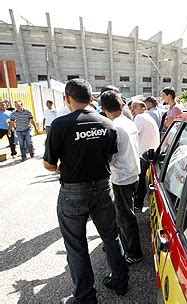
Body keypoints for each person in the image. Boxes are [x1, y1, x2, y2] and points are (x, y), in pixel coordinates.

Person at [43, 79, 129, 303]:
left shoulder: (60, 126)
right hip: (103, 187)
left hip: (73, 192)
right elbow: (109, 157)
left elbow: (49, 164)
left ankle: (85, 296)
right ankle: (121, 282)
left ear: (67, 99)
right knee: (111, 237)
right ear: (91, 99)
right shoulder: (108, 124)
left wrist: (63, 167)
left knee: (76, 245)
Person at [99, 90, 143, 266]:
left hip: (122, 177)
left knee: (125, 217)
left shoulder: (113, 127)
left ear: (103, 109)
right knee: (125, 214)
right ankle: (127, 245)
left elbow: (111, 156)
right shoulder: (128, 122)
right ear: (123, 105)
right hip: (133, 172)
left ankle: (134, 252)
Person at [131, 100, 160, 211]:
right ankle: (138, 204)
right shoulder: (147, 117)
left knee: (141, 180)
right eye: (132, 107)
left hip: (144, 154)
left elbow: (133, 133)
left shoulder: (140, 117)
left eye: (135, 107)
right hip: (150, 153)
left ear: (143, 107)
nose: (132, 110)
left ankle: (138, 204)